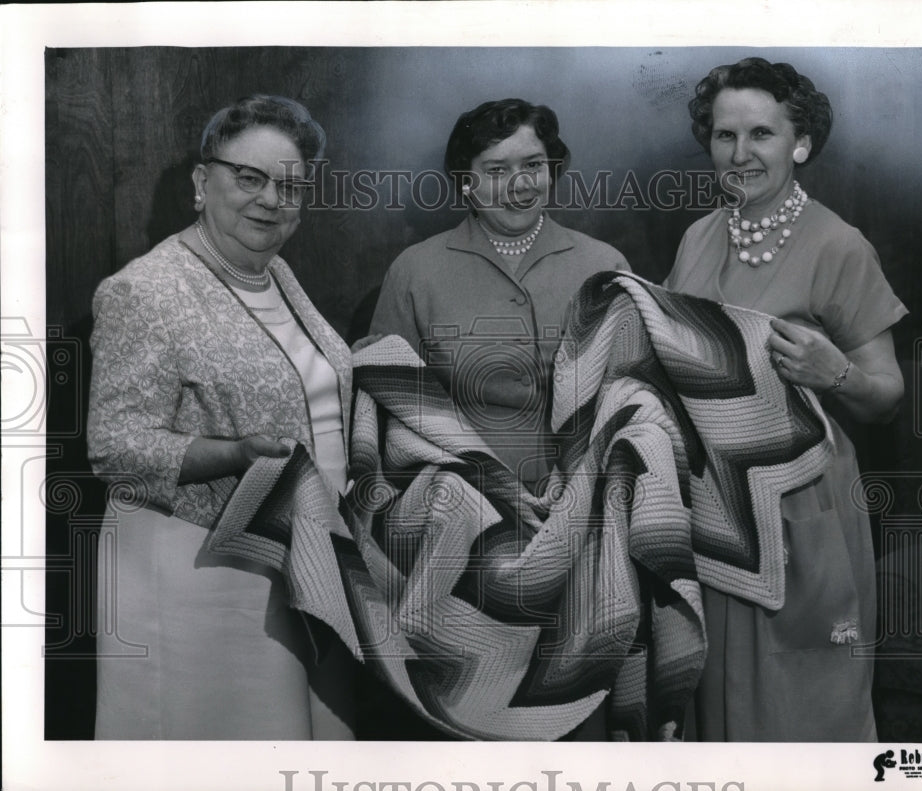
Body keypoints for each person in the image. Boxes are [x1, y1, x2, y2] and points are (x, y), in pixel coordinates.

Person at [87, 95, 357, 739]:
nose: (271, 199)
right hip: (195, 576)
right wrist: (237, 453)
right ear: (201, 182)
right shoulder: (145, 290)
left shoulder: (275, 272)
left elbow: (299, 382)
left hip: (287, 564)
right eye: (249, 177)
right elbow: (114, 446)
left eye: (290, 185)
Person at [365, 98, 630, 739]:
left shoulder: (603, 265)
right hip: (457, 535)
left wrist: (582, 484)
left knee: (571, 717)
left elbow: (630, 400)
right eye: (494, 168)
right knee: (466, 719)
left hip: (581, 524)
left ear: (554, 167)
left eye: (533, 164)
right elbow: (385, 405)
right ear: (465, 179)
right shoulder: (417, 270)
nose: (517, 185)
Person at [666, 57, 907, 741]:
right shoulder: (699, 234)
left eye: (762, 135)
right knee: (717, 696)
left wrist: (836, 373)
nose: (740, 155)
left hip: (806, 508)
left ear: (800, 144)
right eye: (723, 136)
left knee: (805, 697)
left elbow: (886, 396)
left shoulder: (839, 245)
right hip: (711, 507)